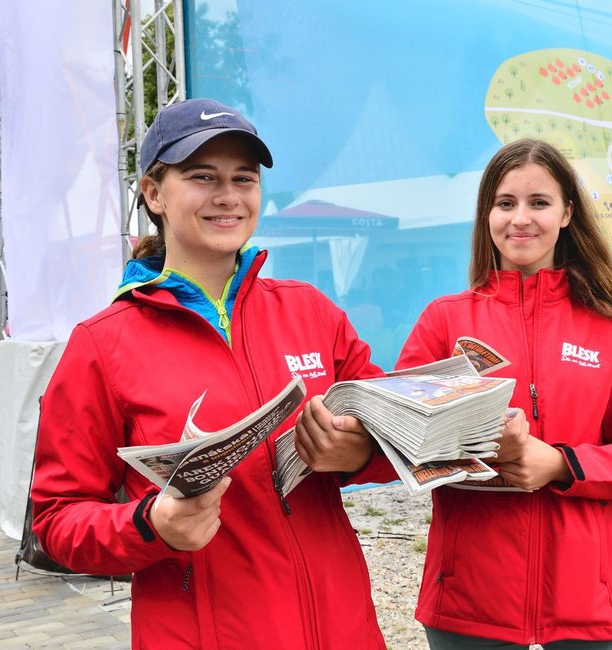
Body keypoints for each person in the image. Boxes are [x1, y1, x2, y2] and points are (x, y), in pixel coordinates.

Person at [31, 98, 395, 649]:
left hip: (342, 628)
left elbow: (400, 441)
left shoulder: (311, 312)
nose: (227, 196)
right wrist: (151, 525)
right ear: (154, 193)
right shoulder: (102, 345)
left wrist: (360, 455)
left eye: (243, 178)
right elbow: (56, 521)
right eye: (203, 177)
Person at [396, 138, 612, 649]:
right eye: (505, 204)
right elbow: (402, 439)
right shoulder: (445, 320)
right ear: (487, 215)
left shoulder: (610, 326)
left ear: (568, 213)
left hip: (592, 600)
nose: (520, 219)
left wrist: (560, 464)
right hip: (469, 600)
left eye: (539, 203)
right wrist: (474, 448)